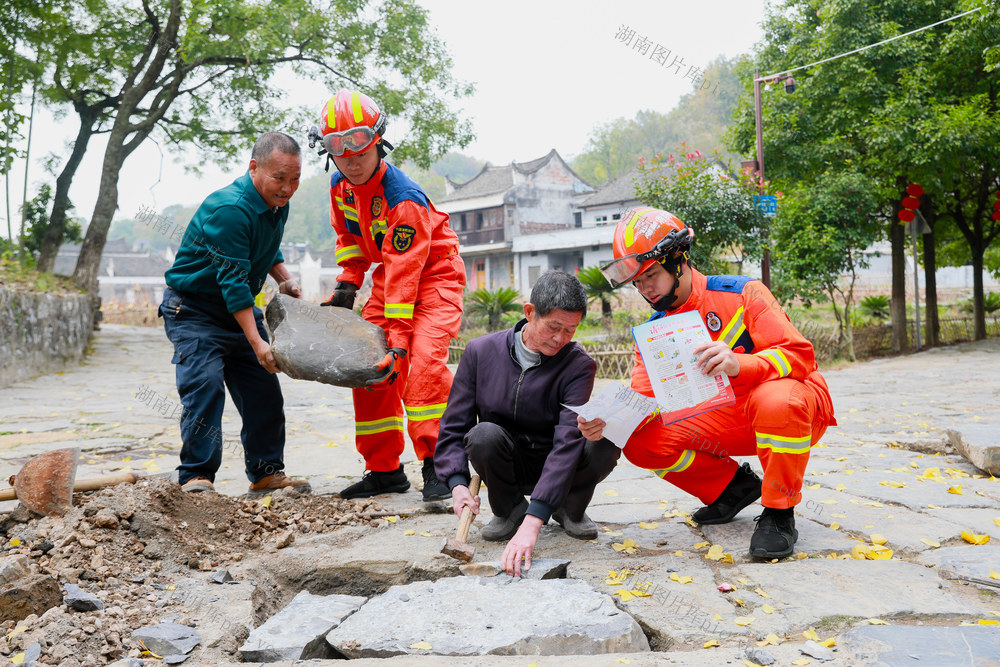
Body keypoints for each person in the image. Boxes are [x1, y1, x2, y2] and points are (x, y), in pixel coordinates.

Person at [579, 206, 836, 559]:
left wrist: (740, 364)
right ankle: (732, 489)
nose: (646, 288)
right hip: (729, 418)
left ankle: (779, 513)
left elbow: (800, 356)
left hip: (794, 410)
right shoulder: (652, 332)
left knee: (776, 399)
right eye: (638, 282)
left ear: (678, 260)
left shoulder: (744, 292)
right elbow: (642, 394)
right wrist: (607, 420)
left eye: (651, 274)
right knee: (639, 438)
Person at [314, 89, 465, 502]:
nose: (350, 158)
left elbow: (406, 275)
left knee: (423, 372)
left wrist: (399, 339)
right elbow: (347, 237)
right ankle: (383, 470)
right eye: (337, 148)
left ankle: (441, 468)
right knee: (372, 370)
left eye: (358, 144)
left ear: (377, 140)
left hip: (435, 277)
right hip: (391, 278)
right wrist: (348, 282)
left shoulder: (403, 200)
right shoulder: (340, 186)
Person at [434, 271, 622, 576]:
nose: (561, 338)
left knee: (605, 437)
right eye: (554, 327)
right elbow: (455, 426)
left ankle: (568, 507)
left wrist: (536, 522)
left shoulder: (578, 365)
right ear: (529, 312)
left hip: (561, 468)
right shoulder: (480, 352)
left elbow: (566, 442)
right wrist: (456, 484)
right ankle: (510, 511)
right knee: (482, 435)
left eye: (571, 330)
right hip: (506, 465)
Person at [160, 132, 311, 497]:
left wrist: (285, 280)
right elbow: (234, 284)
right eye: (279, 178)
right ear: (254, 167)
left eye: (295, 179)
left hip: (236, 309)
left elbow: (265, 249)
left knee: (264, 394)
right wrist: (258, 343)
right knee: (205, 387)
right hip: (194, 310)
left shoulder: (276, 203)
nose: (288, 188)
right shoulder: (229, 210)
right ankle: (196, 477)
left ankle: (265, 472)